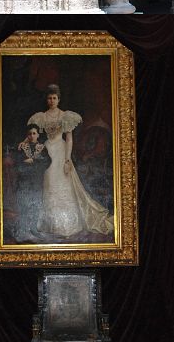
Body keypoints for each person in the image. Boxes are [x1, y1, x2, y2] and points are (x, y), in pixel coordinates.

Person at [27, 84, 113, 239]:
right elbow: (35, 136)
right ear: (47, 100)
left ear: (59, 99)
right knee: (49, 183)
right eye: (49, 98)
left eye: (54, 98)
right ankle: (51, 225)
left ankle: (67, 226)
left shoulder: (66, 116)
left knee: (63, 185)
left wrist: (67, 160)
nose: (52, 100)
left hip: (61, 151)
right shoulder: (41, 117)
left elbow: (70, 139)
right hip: (48, 151)